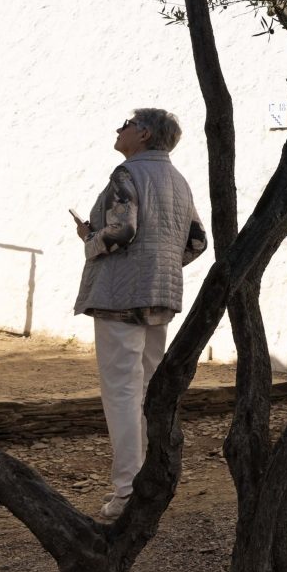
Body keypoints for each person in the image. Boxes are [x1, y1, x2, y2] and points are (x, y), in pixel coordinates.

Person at [72, 108, 207, 521]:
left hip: (119, 297)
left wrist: (90, 237)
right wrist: (160, 264)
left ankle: (128, 491)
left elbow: (121, 231)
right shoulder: (180, 182)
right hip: (159, 296)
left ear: (144, 133)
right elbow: (197, 242)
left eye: (126, 124)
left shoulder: (126, 174)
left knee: (122, 393)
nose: (119, 128)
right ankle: (151, 481)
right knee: (149, 388)